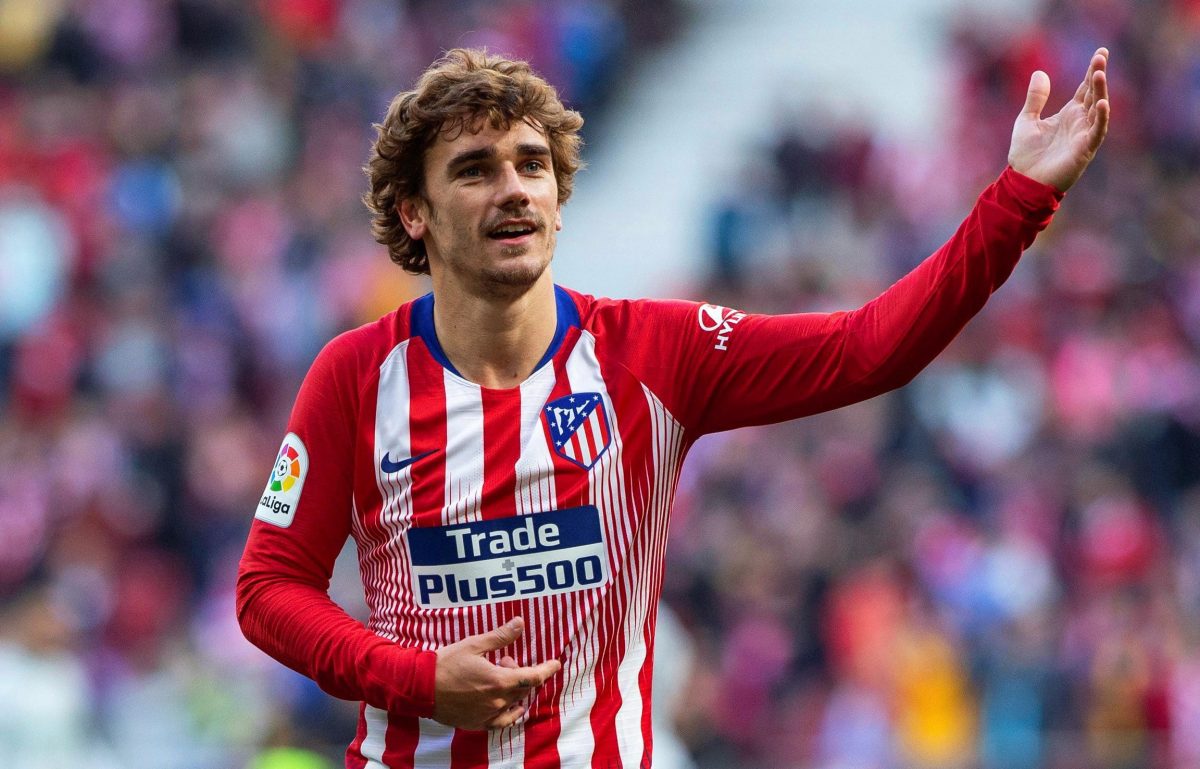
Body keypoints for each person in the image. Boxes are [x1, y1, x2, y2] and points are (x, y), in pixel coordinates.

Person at [237, 46, 1110, 768]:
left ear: (559, 198)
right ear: (413, 212)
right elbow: (268, 587)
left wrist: (1019, 199)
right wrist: (413, 677)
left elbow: (868, 347)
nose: (513, 188)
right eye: (474, 169)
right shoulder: (356, 376)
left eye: (533, 165)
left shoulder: (653, 352)